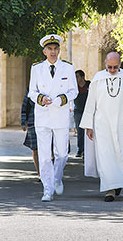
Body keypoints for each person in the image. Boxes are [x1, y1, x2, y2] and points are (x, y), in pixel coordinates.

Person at [80, 52, 123, 202]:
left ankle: (117, 182)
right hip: (102, 125)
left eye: (115, 67)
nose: (112, 70)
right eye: (109, 67)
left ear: (120, 64)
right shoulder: (98, 79)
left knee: (121, 154)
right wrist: (89, 126)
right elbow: (91, 103)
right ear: (105, 65)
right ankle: (109, 189)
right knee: (105, 156)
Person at [28, 34, 78, 202]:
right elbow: (31, 92)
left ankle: (56, 178)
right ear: (44, 51)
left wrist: (61, 99)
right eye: (49, 49)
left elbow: (74, 91)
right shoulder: (36, 68)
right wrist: (41, 99)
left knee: (62, 154)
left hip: (60, 116)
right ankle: (47, 189)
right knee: (43, 155)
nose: (53, 52)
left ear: (59, 50)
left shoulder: (67, 68)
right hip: (42, 116)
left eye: (55, 49)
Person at [21, 87, 40, 180]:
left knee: (49, 149)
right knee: (35, 149)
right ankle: (40, 173)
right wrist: (23, 122)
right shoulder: (30, 88)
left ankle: (49, 172)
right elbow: (25, 105)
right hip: (33, 121)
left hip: (48, 121)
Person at [74, 70, 90, 158]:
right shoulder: (74, 87)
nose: (75, 79)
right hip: (78, 111)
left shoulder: (89, 85)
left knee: (87, 131)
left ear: (82, 77)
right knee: (79, 131)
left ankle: (86, 150)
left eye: (77, 77)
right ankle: (80, 149)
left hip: (87, 111)